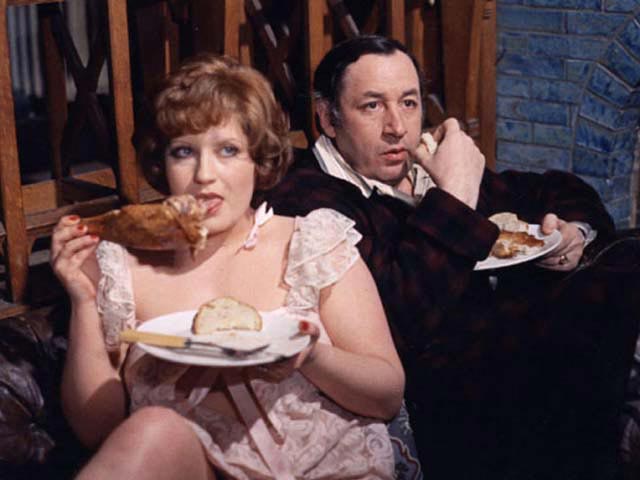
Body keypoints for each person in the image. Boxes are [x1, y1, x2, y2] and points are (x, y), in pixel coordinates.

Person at [261, 35, 640, 479]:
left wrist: (575, 233)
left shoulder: (418, 168)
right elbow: (400, 320)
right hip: (452, 391)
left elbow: (552, 189)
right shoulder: (309, 197)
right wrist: (456, 194)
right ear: (328, 118)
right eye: (372, 106)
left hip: (510, 341)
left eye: (408, 103)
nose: (396, 127)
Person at [50, 53, 405, 480]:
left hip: (323, 470)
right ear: (162, 164)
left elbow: (386, 396)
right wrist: (83, 301)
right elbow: (98, 430)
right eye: (184, 151)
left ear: (259, 159)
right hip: (190, 467)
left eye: (228, 150)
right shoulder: (122, 266)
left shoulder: (312, 243)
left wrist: (311, 357)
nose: (204, 175)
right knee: (154, 427)